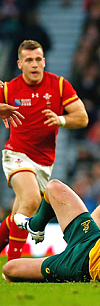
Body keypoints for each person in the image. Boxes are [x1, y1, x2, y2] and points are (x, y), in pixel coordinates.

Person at [0, 40, 88, 261]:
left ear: (44, 61)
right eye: (29, 60)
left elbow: (82, 117)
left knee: (18, 215)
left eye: (38, 59)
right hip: (16, 154)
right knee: (30, 200)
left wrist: (60, 119)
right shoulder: (9, 88)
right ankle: (14, 268)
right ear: (20, 64)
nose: (34, 64)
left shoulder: (58, 85)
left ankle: (12, 265)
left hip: (44, 162)